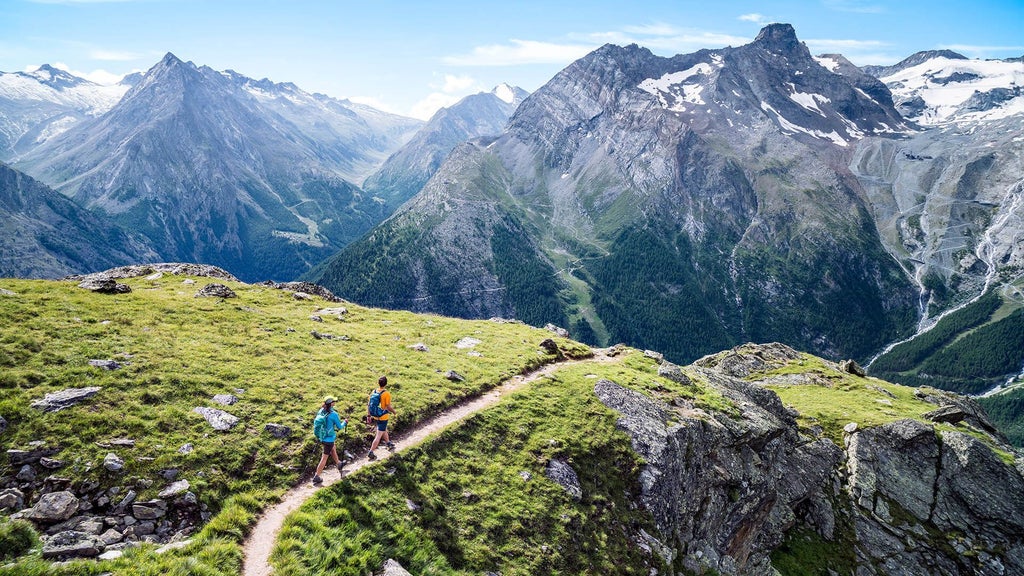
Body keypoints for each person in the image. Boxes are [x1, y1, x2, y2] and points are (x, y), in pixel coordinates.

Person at [312, 396, 347, 485]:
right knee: (324, 458)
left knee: (333, 449)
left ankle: (339, 463)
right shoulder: (334, 414)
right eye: (334, 401)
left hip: (322, 436)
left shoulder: (321, 411)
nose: (335, 402)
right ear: (331, 403)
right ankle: (317, 476)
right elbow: (339, 427)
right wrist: (345, 422)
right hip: (329, 439)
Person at [366, 376, 397, 460]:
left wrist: (368, 415)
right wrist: (394, 412)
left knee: (383, 429)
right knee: (379, 435)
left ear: (378, 383)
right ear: (386, 384)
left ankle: (388, 443)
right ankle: (371, 452)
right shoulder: (386, 393)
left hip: (376, 415)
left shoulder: (374, 391)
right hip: (383, 416)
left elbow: (369, 404)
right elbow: (388, 406)